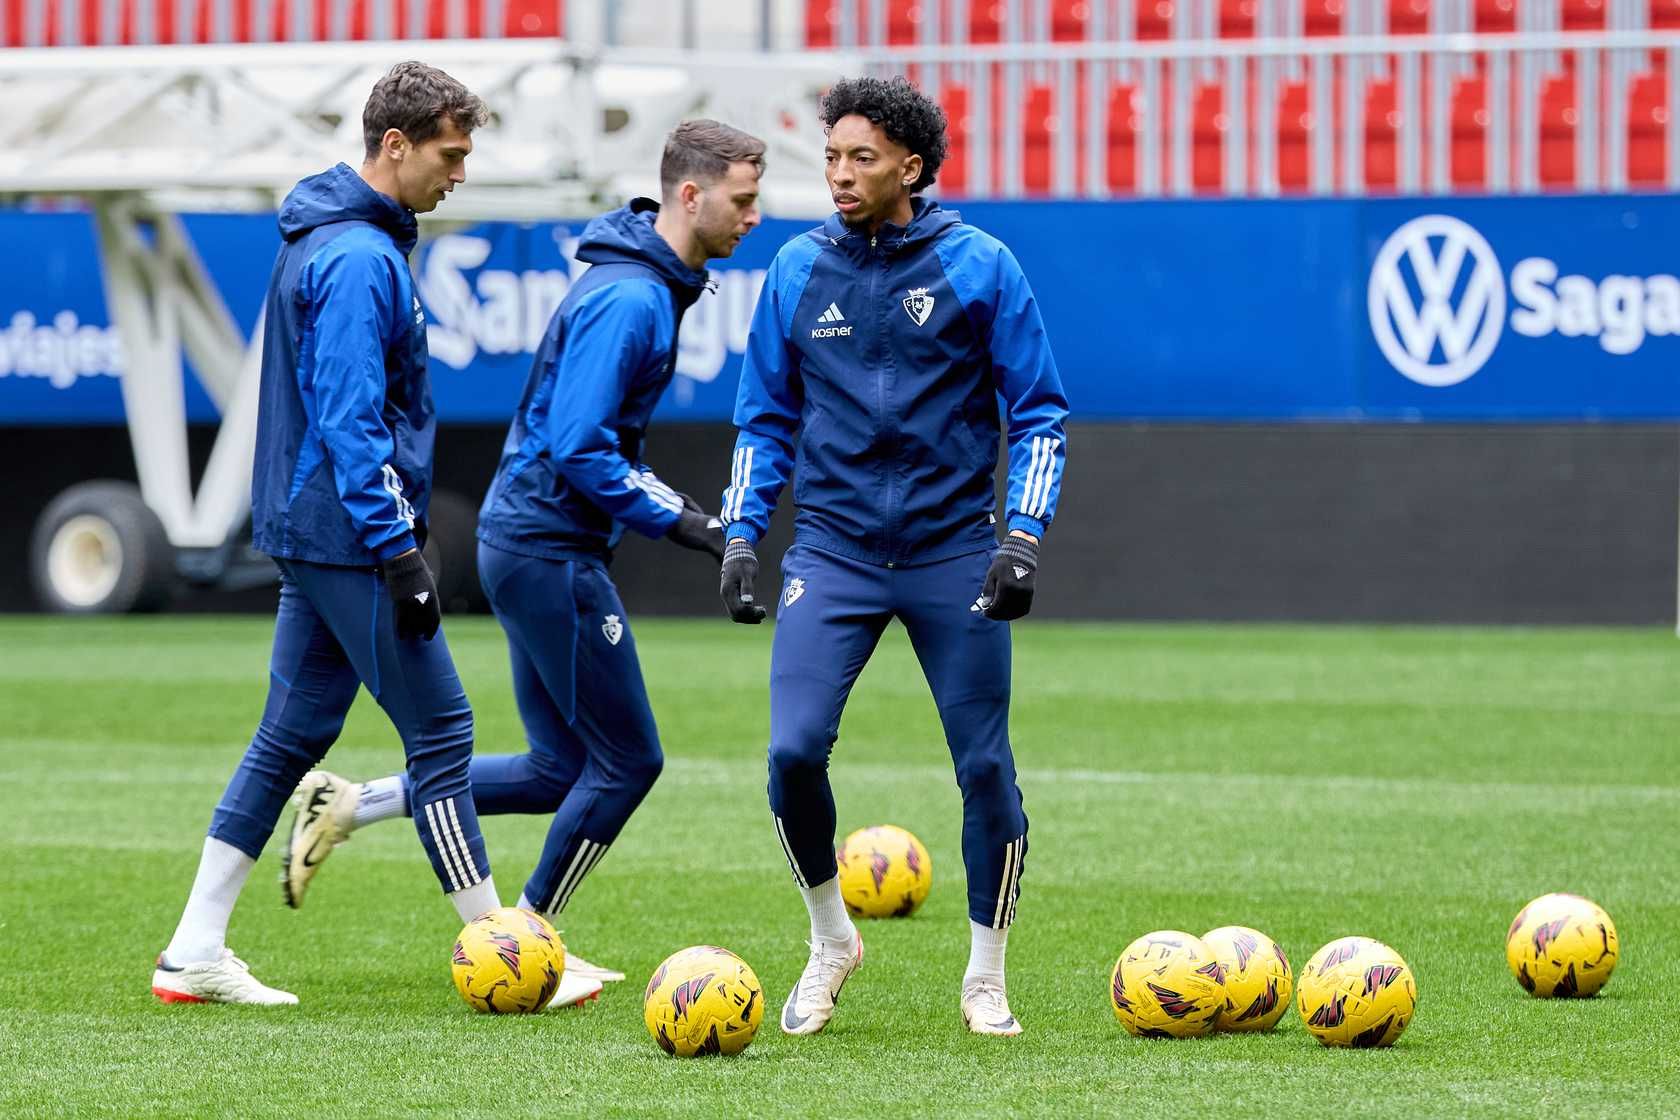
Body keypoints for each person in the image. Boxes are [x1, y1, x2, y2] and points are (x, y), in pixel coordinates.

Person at [280, 120, 766, 1009]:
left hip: (527, 540)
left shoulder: (638, 284)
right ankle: (528, 941)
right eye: (743, 198)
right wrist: (689, 523)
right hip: (546, 548)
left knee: (556, 768)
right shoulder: (633, 300)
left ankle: (353, 805)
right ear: (689, 197)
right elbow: (582, 446)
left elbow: (584, 439)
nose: (755, 216)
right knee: (627, 763)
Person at [718, 76, 1069, 1037]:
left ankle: (986, 974)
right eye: (830, 156)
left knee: (985, 770)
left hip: (953, 552)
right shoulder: (794, 270)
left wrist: (1022, 539)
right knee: (792, 753)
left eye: (860, 157)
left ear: (910, 167)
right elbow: (764, 415)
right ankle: (832, 939)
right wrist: (744, 534)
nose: (839, 173)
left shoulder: (982, 265)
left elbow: (1038, 412)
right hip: (829, 552)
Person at [152, 63, 499, 1006]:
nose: (459, 173)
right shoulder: (357, 258)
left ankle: (193, 950)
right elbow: (351, 421)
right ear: (396, 145)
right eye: (450, 153)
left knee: (293, 730)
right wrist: (398, 552)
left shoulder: (342, 240)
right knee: (444, 731)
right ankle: (505, 956)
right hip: (347, 532)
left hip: (314, 526)